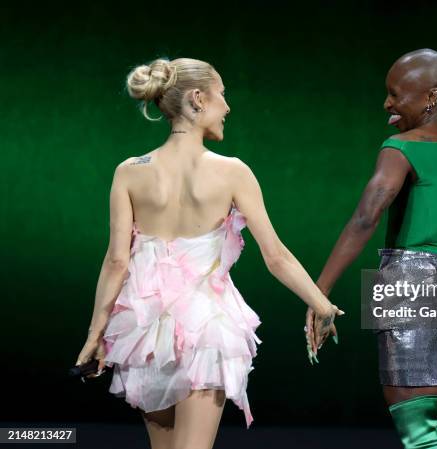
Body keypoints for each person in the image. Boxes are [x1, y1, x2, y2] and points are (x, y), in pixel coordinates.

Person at [74, 57, 343, 449]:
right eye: (222, 94)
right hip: (206, 330)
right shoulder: (232, 171)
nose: (227, 106)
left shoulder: (129, 171)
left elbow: (117, 261)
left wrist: (94, 336)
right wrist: (322, 305)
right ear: (198, 99)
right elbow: (276, 256)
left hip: (145, 334)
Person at [305, 49, 437, 448]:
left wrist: (318, 290)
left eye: (396, 94)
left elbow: (365, 218)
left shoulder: (401, 147)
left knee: (420, 437)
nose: (387, 103)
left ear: (431, 97)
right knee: (431, 431)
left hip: (408, 287)